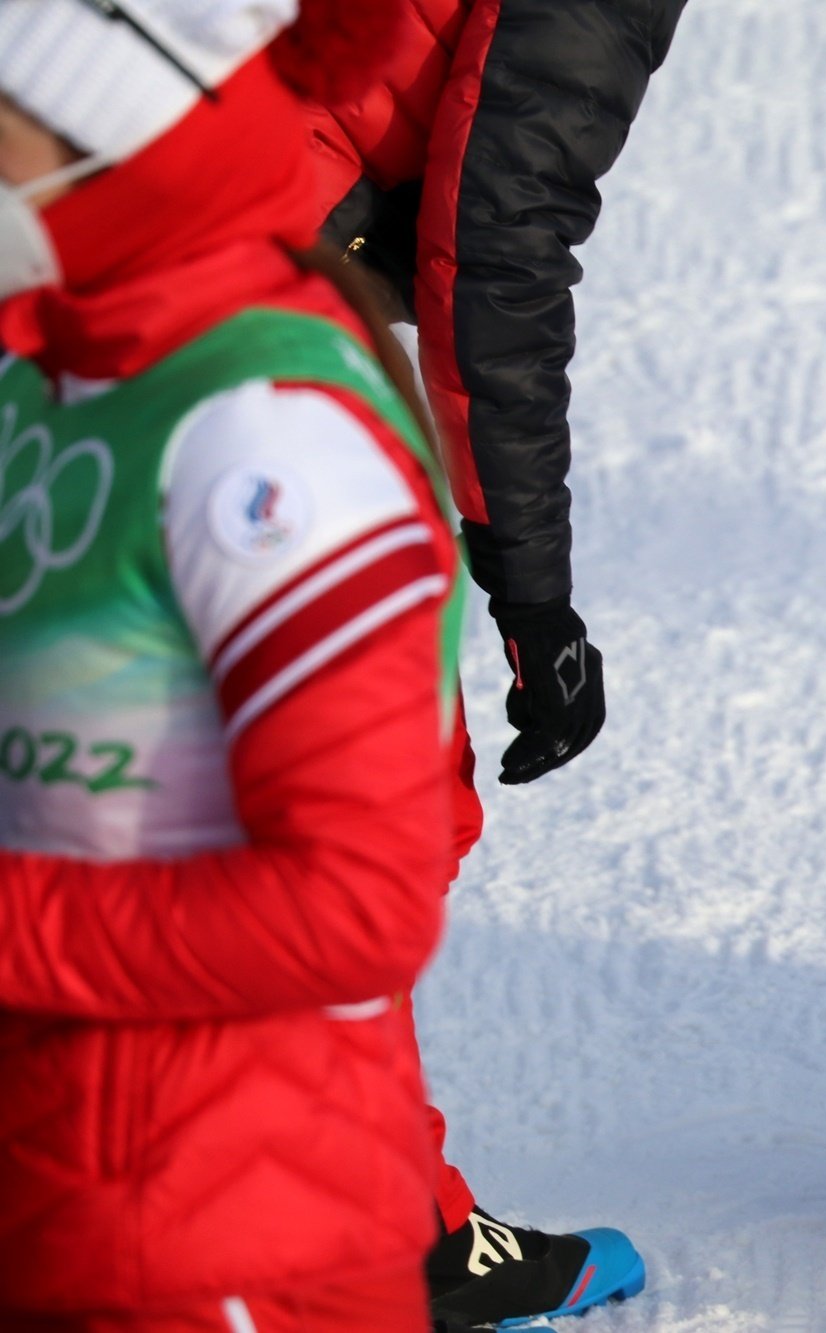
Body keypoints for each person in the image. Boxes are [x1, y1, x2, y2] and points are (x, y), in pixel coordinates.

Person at [0, 2, 464, 1328]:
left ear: (116, 128)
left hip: (221, 1243)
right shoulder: (48, 379)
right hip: (55, 1200)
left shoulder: (263, 439)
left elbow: (355, 908)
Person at [298, 3, 683, 1323]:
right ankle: (390, 1233)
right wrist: (533, 590)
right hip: (222, 283)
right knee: (370, 791)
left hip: (71, 222)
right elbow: (500, 236)